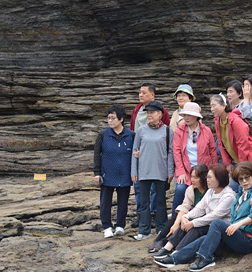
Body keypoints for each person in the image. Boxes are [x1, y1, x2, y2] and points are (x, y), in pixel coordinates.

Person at [154, 162, 252, 270]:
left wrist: (237, 225)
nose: (244, 181)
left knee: (215, 223)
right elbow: (200, 208)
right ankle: (175, 258)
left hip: (249, 240)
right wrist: (186, 217)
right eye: (241, 179)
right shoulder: (240, 194)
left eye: (247, 177)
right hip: (233, 235)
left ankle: (206, 258)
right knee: (204, 239)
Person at [151, 164, 235, 258]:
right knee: (186, 222)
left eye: (210, 177)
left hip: (220, 229)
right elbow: (199, 208)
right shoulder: (211, 191)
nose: (207, 180)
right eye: (207, 177)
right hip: (208, 224)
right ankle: (167, 248)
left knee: (195, 227)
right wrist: (185, 217)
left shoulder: (229, 196)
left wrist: (193, 223)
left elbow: (214, 216)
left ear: (219, 178)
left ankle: (177, 252)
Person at [130, 101, 174, 240]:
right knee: (144, 203)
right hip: (144, 171)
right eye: (147, 113)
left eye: (152, 112)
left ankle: (161, 229)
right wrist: (133, 172)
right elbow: (135, 151)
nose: (149, 115)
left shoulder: (167, 131)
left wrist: (170, 172)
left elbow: (171, 152)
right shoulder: (142, 130)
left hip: (161, 171)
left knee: (160, 202)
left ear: (160, 114)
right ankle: (144, 231)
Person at [93, 104, 134, 238]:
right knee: (106, 202)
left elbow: (136, 155)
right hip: (107, 174)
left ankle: (120, 225)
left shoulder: (131, 135)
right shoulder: (103, 134)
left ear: (121, 119)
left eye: (113, 118)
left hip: (125, 174)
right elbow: (96, 155)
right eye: (108, 118)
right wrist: (97, 173)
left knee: (123, 201)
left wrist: (135, 173)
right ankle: (107, 226)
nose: (110, 121)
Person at [148, 164, 208, 254]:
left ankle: (165, 241)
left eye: (195, 177)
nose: (192, 180)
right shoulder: (190, 190)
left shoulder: (209, 191)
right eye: (191, 177)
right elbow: (185, 207)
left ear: (203, 178)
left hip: (202, 218)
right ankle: (158, 240)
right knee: (177, 217)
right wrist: (175, 224)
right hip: (191, 213)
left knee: (185, 221)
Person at [170, 102, 217, 216]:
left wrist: (213, 171)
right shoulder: (179, 131)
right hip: (186, 171)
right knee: (180, 189)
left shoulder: (206, 131)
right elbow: (176, 152)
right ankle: (174, 219)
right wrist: (180, 171)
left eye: (189, 115)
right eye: (184, 115)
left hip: (203, 171)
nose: (186, 118)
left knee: (208, 191)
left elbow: (212, 151)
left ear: (196, 116)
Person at [211, 94, 252, 177]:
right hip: (236, 160)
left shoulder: (235, 121)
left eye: (214, 106)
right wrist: (227, 163)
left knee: (245, 185)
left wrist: (241, 166)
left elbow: (243, 144)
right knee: (236, 185)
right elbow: (221, 144)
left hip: (249, 159)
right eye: (211, 106)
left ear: (224, 106)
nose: (212, 109)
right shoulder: (218, 121)